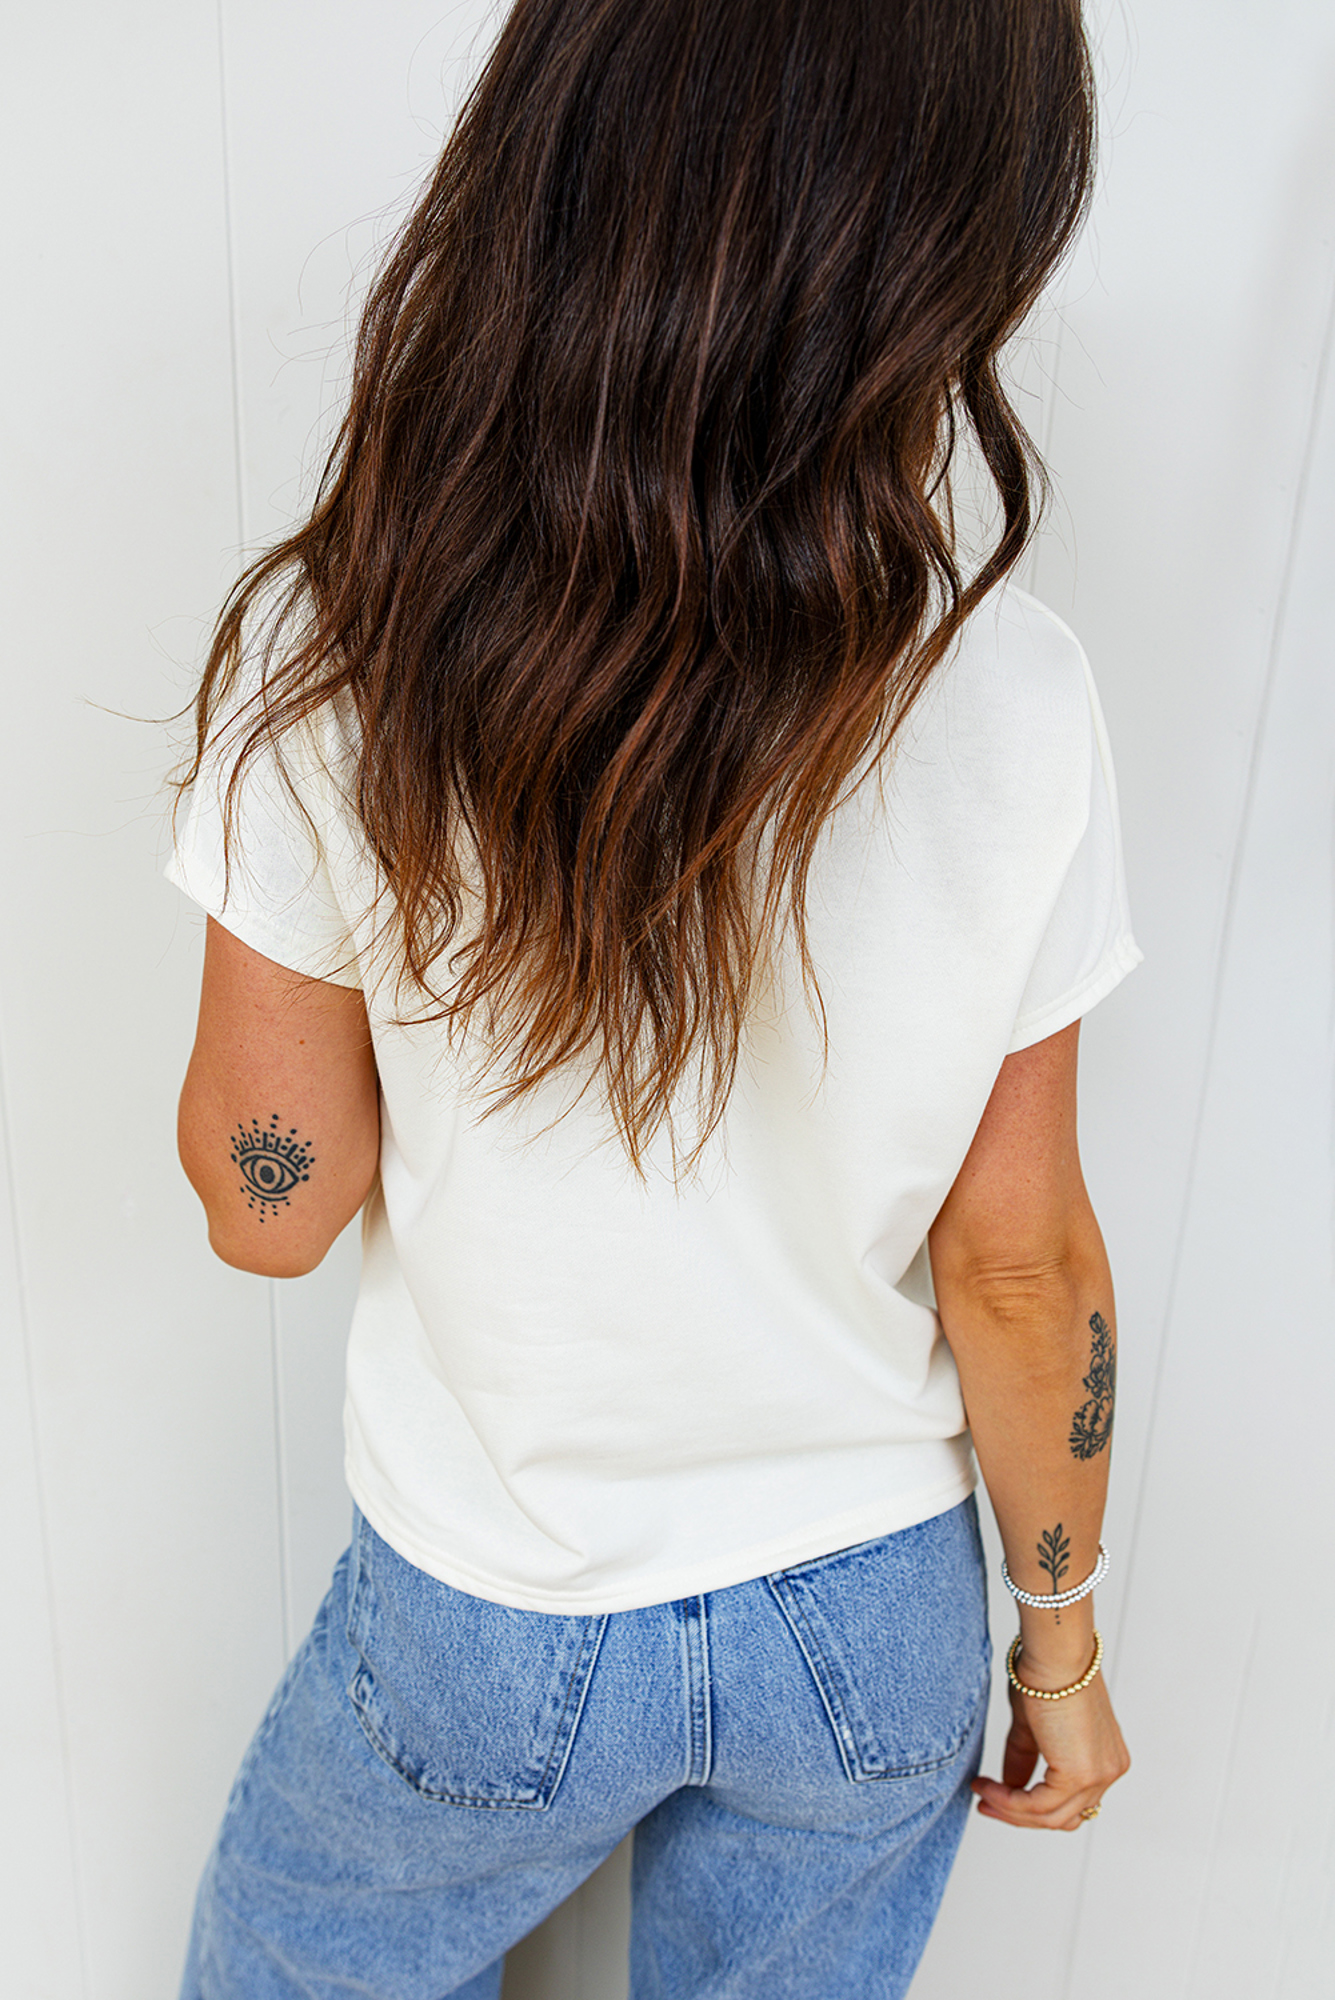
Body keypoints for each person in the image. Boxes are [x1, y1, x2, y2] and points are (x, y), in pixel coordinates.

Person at [166, 1, 1136, 1994]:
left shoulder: (346, 646)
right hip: (867, 1623)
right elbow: (1020, 1266)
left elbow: (273, 1208)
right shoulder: (1013, 691)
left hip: (497, 1602)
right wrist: (1060, 1645)